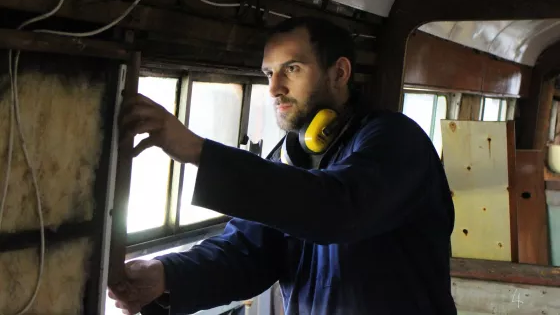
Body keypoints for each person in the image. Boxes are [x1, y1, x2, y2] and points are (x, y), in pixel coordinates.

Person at [110, 17, 457, 315]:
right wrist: (166, 275)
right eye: (268, 73)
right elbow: (247, 252)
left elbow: (337, 208)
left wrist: (200, 152)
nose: (274, 88)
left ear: (339, 73)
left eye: (291, 68)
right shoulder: (290, 156)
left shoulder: (396, 140)